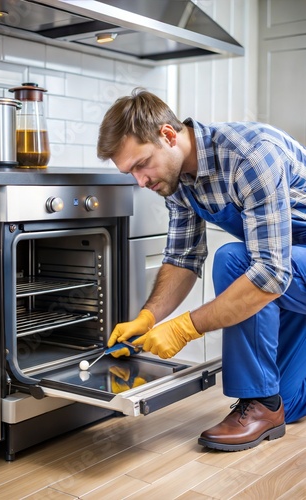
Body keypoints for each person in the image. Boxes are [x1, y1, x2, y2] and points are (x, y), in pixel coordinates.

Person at [97, 87, 306, 452]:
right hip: (292, 264)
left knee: (234, 260)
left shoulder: (249, 154)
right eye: (130, 173)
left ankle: (260, 404)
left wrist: (184, 327)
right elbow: (183, 259)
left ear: (167, 135)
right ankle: (273, 402)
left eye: (141, 164)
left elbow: (271, 274)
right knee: (290, 404)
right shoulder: (177, 181)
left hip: (285, 266)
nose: (140, 182)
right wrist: (148, 317)